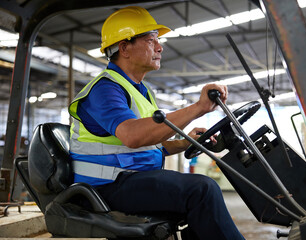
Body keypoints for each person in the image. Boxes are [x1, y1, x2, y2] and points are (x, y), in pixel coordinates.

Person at [68, 6, 245, 240]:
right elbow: (133, 137)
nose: (160, 47)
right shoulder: (105, 89)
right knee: (202, 189)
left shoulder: (141, 91)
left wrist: (186, 142)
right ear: (124, 48)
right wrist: (198, 108)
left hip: (132, 178)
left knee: (199, 210)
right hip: (106, 186)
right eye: (151, 40)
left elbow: (149, 144)